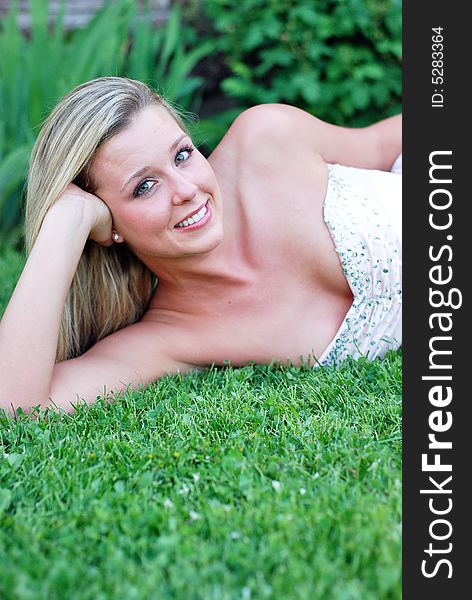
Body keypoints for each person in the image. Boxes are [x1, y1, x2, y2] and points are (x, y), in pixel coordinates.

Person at [0, 77, 402, 416]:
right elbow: (18, 405)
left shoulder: (266, 140)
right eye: (144, 187)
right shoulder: (171, 336)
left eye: (182, 155)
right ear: (108, 224)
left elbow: (384, 145)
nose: (187, 190)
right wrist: (66, 220)